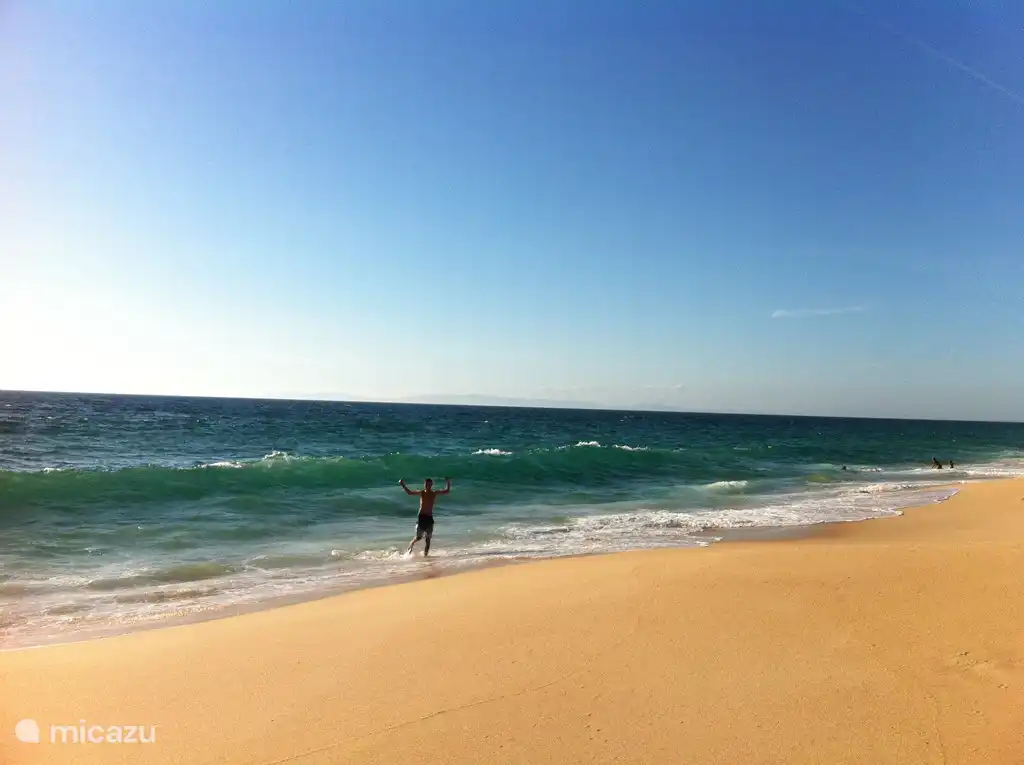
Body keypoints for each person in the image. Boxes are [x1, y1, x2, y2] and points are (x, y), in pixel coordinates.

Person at [401, 477, 451, 557]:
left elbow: (446, 491)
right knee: (418, 537)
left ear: (431, 485)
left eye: (429, 484)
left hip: (429, 518)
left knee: (428, 540)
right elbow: (409, 493)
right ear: (424, 485)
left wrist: (448, 482)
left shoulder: (434, 493)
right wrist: (402, 484)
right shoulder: (422, 493)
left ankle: (426, 558)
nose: (428, 486)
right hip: (421, 517)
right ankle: (411, 546)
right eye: (426, 484)